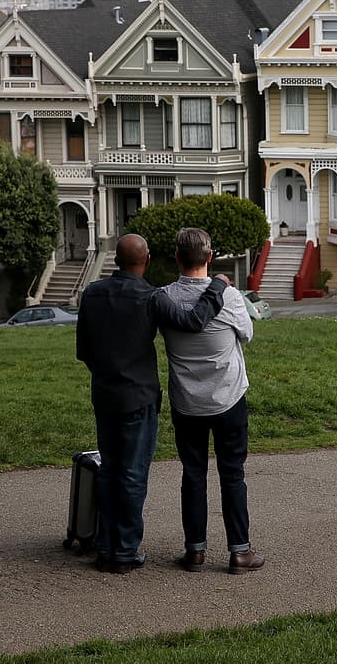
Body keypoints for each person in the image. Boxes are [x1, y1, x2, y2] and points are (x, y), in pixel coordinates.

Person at [76, 233, 228, 574]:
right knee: (132, 474)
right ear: (145, 261)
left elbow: (84, 350)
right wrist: (217, 286)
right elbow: (193, 321)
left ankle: (105, 546)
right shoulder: (150, 298)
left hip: (104, 394)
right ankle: (125, 551)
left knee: (109, 470)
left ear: (116, 261)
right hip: (139, 396)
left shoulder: (93, 294)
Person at [160, 227, 265, 574]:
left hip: (187, 402)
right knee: (232, 474)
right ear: (210, 256)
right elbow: (247, 333)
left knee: (193, 474)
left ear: (177, 258)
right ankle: (239, 551)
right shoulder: (230, 298)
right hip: (228, 397)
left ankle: (195, 551)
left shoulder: (164, 298)